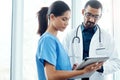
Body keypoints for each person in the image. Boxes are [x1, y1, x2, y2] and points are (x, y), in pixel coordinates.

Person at [35, 1, 103, 80]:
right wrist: (83, 71)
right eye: (64, 19)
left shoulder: (55, 40)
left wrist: (72, 70)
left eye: (68, 20)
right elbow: (51, 76)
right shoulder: (48, 40)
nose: (67, 23)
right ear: (52, 17)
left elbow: (59, 71)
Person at [62, 0, 120, 80]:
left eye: (96, 16)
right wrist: (70, 68)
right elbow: (62, 61)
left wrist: (101, 67)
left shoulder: (107, 37)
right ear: (83, 12)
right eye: (88, 15)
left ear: (100, 16)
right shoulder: (70, 36)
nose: (91, 20)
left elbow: (116, 63)